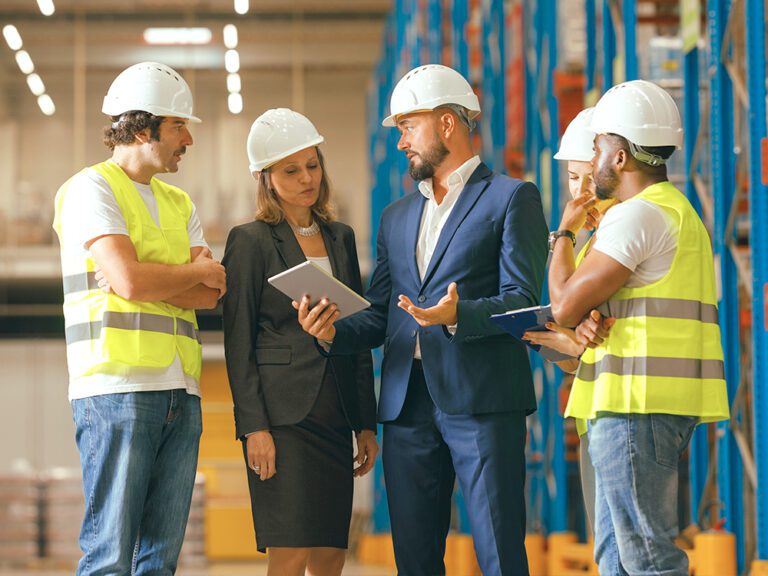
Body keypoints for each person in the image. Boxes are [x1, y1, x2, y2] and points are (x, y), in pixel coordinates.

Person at [297, 64, 548, 575]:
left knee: (499, 551)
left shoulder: (511, 198)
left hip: (480, 400)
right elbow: (381, 317)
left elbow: (522, 301)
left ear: (448, 125)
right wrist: (330, 332)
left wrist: (459, 316)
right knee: (413, 558)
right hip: (407, 405)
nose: (400, 142)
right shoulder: (396, 217)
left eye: (408, 127)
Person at [547, 80, 730, 575]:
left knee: (646, 557)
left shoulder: (636, 216)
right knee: (618, 560)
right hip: (639, 404)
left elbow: (562, 304)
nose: (592, 156)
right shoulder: (673, 210)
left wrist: (562, 231)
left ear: (621, 155)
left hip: (635, 406)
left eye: (599, 144)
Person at [52, 61, 225, 575]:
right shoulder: (91, 189)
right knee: (109, 556)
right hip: (115, 388)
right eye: (179, 127)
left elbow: (210, 291)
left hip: (182, 389)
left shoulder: (180, 201)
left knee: (159, 562)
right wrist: (180, 274)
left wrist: (156, 278)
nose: (187, 139)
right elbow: (128, 281)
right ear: (143, 127)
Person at [222, 108, 378, 576]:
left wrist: (365, 422)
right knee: (289, 553)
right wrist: (254, 428)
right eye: (291, 170)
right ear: (266, 178)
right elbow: (238, 339)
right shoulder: (249, 241)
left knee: (331, 555)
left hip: (336, 416)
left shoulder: (341, 237)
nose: (306, 178)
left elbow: (356, 332)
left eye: (313, 165)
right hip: (282, 420)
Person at [521, 107, 614, 537]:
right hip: (594, 406)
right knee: (606, 544)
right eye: (573, 179)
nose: (581, 191)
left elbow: (577, 316)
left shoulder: (619, 234)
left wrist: (563, 232)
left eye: (589, 178)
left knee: (626, 546)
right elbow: (579, 334)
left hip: (623, 405)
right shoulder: (588, 241)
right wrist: (564, 349)